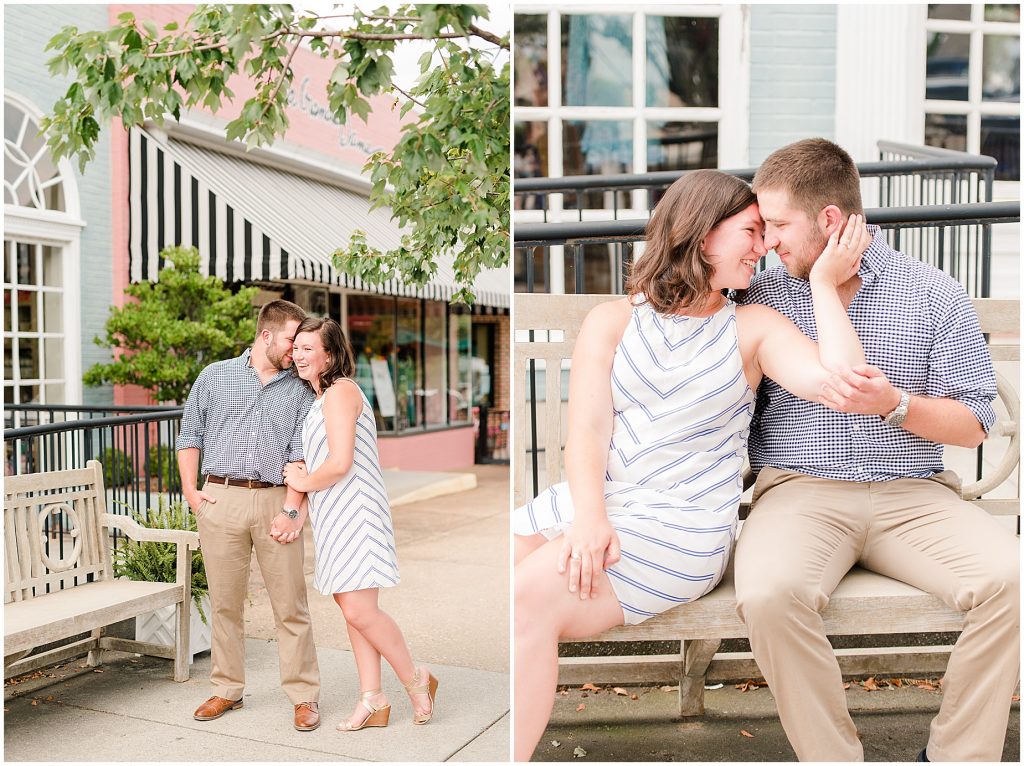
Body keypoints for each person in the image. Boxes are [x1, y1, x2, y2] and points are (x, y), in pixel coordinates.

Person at [512, 168, 872, 761]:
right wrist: (590, 518)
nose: (765, 247)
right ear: (703, 233)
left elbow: (844, 383)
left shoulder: (753, 329)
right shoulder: (613, 321)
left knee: (528, 598)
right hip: (598, 504)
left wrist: (826, 288)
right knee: (501, 578)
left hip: (683, 524)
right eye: (751, 232)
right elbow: (587, 432)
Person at [736, 138, 1019, 762]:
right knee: (768, 593)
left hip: (912, 495)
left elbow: (974, 424)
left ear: (829, 220)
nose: (767, 241)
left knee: (1013, 579)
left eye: (778, 224)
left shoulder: (932, 291)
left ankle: (957, 756)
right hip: (799, 493)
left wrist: (897, 404)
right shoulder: (758, 294)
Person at [282, 317, 438, 732]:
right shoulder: (319, 399)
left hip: (357, 511)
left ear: (330, 355)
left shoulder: (340, 392)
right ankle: (372, 698)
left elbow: (339, 463)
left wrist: (300, 480)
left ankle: (415, 679)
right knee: (352, 611)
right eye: (296, 347)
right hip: (335, 513)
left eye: (308, 349)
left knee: (360, 609)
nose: (298, 355)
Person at [176, 299, 322, 732]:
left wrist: (293, 510)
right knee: (224, 604)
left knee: (290, 604)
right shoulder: (214, 376)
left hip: (277, 499)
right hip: (220, 499)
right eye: (292, 341)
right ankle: (227, 689)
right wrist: (191, 492)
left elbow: (302, 453)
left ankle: (303, 695)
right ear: (266, 336)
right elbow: (190, 434)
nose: (297, 351)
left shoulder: (301, 388)